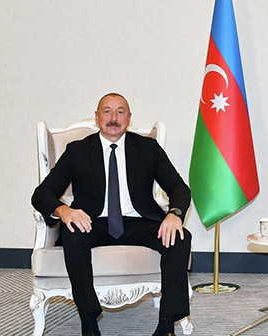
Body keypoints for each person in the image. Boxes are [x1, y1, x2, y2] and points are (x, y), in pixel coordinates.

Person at [32, 93, 192, 336]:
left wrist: (175, 214)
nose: (113, 118)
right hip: (93, 222)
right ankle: (89, 323)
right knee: (73, 233)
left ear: (129, 118)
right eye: (106, 111)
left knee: (180, 237)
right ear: (96, 117)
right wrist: (64, 210)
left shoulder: (147, 148)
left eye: (120, 112)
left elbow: (179, 188)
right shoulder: (78, 151)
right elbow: (42, 193)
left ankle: (167, 325)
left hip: (138, 222)